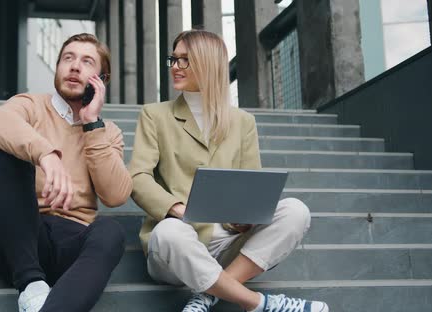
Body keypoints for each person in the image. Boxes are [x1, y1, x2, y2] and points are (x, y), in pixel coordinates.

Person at [129, 29, 329, 312]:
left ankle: (210, 294)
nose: (175, 66)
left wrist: (245, 218)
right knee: (169, 232)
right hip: (176, 248)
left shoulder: (243, 122)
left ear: (208, 62)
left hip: (228, 245)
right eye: (173, 59)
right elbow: (138, 177)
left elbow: (252, 187)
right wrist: (177, 208)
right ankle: (259, 303)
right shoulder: (154, 115)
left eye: (185, 59)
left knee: (296, 211)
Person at [0, 33, 132, 312]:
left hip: (71, 247)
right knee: (3, 156)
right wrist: (46, 154)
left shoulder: (107, 132)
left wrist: (92, 126)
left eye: (87, 62)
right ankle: (31, 285)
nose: (74, 67)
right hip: (19, 242)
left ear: (102, 80)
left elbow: (116, 195)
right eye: (68, 58)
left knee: (111, 231)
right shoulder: (31, 105)